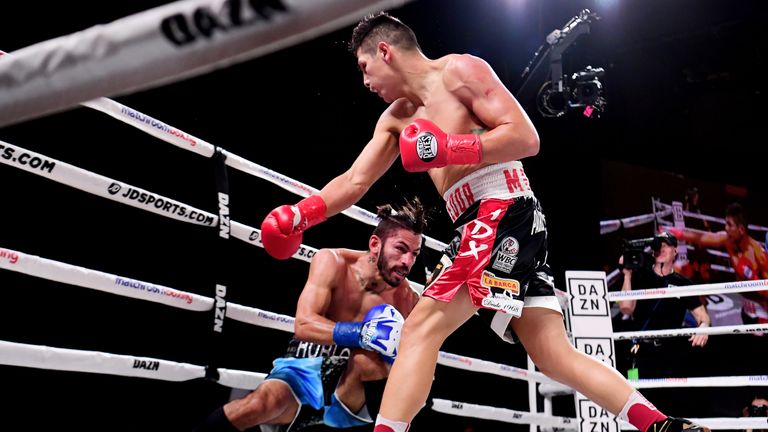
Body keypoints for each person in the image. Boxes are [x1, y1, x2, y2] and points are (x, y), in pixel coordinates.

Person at [259, 12, 708, 432]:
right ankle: (661, 425)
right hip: (493, 222)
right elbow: (355, 181)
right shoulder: (396, 119)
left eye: (363, 66)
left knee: (420, 328)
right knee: (552, 354)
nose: (365, 81)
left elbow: (526, 137)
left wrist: (450, 148)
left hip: (499, 208)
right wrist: (300, 214)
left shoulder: (459, 71)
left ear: (385, 51)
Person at [195, 198, 426, 431]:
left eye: (414, 254)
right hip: (304, 369)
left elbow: (413, 360)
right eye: (400, 249)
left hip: (353, 393)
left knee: (368, 362)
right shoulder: (333, 262)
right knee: (256, 405)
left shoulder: (407, 299)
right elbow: (304, 325)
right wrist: (361, 333)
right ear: (375, 244)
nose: (407, 262)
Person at [616, 232, 711, 378]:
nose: (662, 249)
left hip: (670, 353)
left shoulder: (683, 283)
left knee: (669, 397)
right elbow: (626, 308)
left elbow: (703, 317)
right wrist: (627, 275)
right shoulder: (640, 275)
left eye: (666, 245)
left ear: (675, 251)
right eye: (659, 245)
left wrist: (703, 328)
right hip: (640, 351)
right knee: (637, 396)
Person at [668, 203, 768, 326]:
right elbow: (704, 237)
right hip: (747, 308)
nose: (725, 228)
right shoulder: (728, 240)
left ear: (741, 229)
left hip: (763, 311)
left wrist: (753, 278)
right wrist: (680, 234)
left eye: (729, 225)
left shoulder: (758, 254)